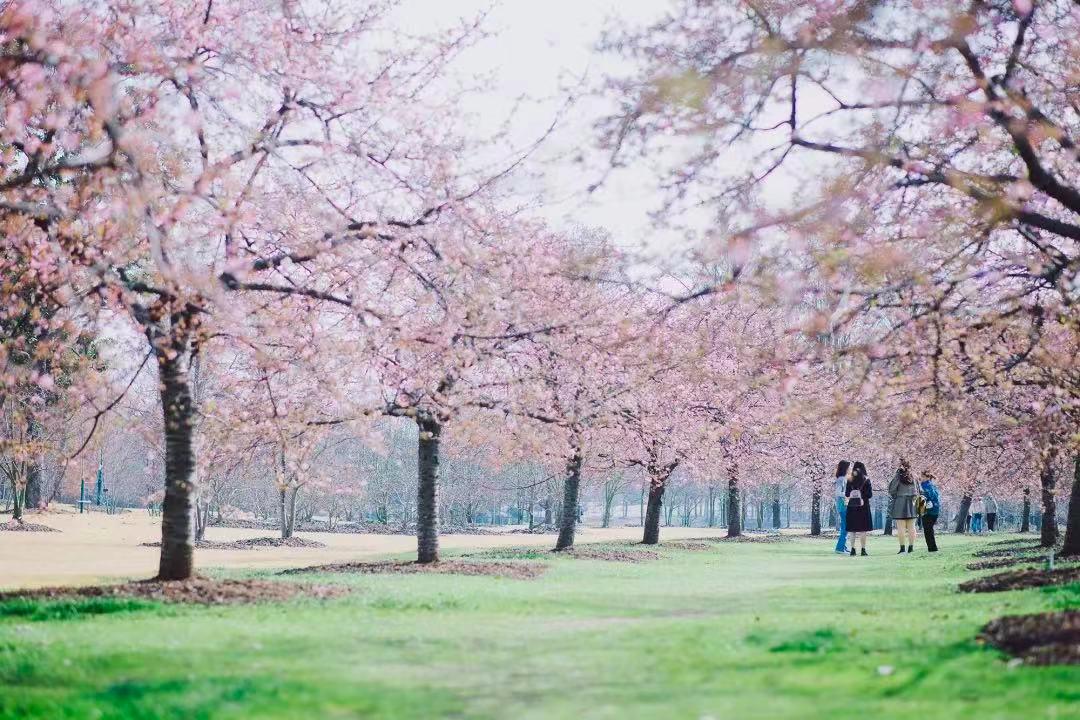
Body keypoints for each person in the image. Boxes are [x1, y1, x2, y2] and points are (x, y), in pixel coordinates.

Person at [888, 458, 918, 553]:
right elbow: (918, 490)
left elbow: (892, 489)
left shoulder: (898, 476)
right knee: (912, 527)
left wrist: (896, 495)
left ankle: (902, 549)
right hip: (912, 502)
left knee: (900, 527)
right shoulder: (914, 476)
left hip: (900, 502)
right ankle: (911, 548)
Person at [845, 461, 873, 556]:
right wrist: (862, 496)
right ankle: (863, 550)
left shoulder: (850, 480)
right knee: (863, 530)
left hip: (852, 506)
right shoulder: (866, 480)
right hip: (863, 506)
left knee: (852, 529)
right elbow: (869, 495)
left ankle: (852, 549)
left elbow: (847, 494)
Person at [919, 470, 940, 552]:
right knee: (929, 530)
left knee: (928, 530)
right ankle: (932, 548)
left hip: (928, 510)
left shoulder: (925, 486)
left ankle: (932, 548)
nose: (921, 478)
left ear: (927, 477)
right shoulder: (932, 485)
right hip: (934, 510)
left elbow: (931, 496)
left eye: (922, 476)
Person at [834, 460, 851, 555]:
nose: (850, 469)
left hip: (844, 505)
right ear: (845, 468)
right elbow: (837, 492)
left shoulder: (843, 478)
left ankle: (843, 546)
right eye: (849, 467)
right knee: (846, 527)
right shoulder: (841, 479)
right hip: (843, 506)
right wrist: (848, 494)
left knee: (846, 526)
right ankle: (840, 548)